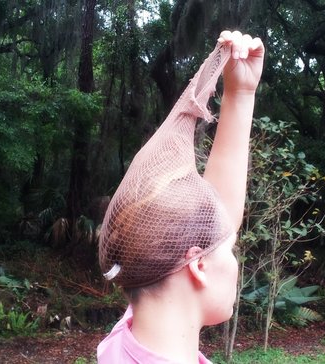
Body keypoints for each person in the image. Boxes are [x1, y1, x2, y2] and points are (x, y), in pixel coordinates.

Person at [97, 30, 265, 364]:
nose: (234, 257)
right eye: (228, 249)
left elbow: (215, 220)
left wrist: (240, 93)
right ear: (198, 264)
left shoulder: (127, 337)